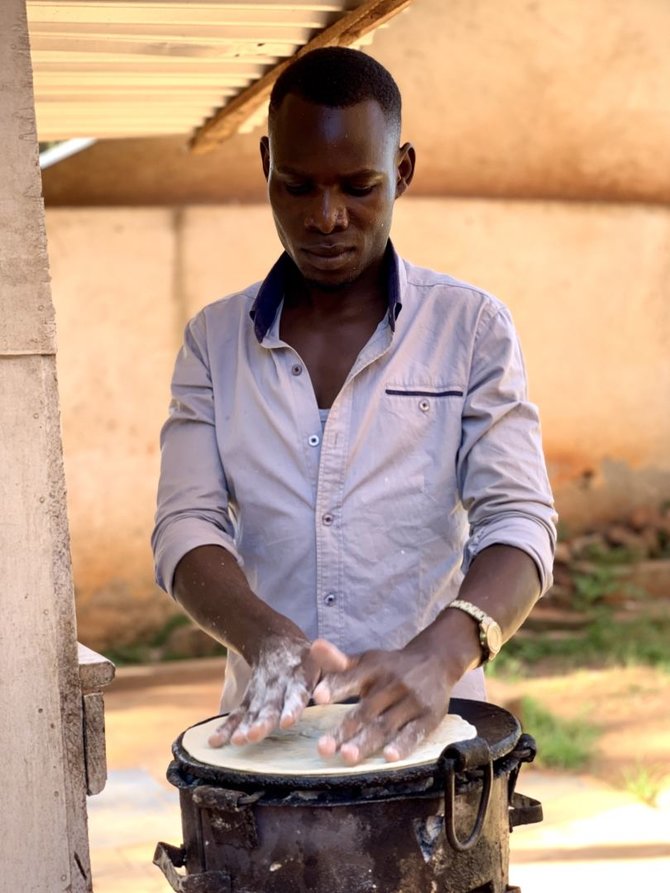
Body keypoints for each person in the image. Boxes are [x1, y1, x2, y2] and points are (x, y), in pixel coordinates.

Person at [152, 47, 556, 767]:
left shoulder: (470, 329)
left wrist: (438, 655)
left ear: (401, 170)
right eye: (298, 186)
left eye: (360, 186)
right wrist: (269, 641)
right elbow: (186, 524)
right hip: (267, 740)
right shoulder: (215, 341)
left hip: (432, 742)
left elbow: (520, 522)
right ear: (267, 163)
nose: (327, 217)